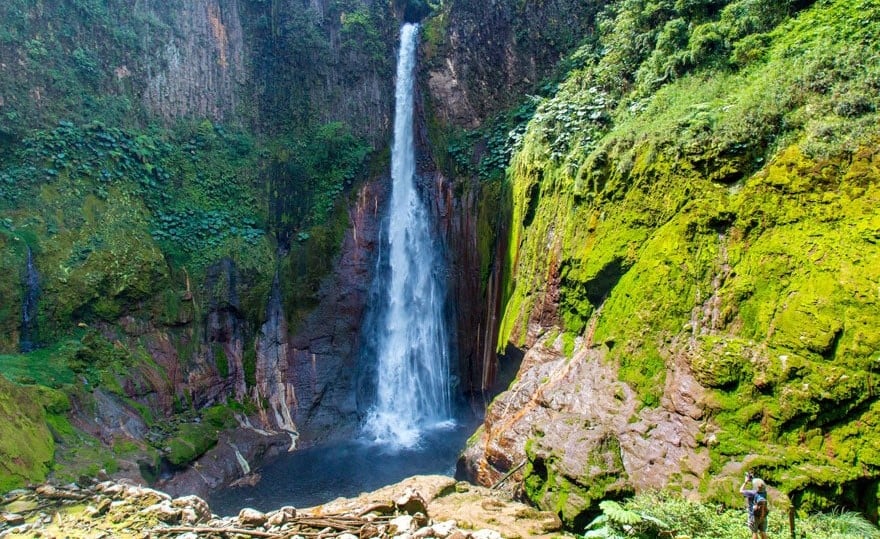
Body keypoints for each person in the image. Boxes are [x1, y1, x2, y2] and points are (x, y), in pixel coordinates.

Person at [740, 471, 769, 539]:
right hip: (763, 515)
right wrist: (752, 479)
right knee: (763, 531)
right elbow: (759, 485)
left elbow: (741, 491)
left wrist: (746, 482)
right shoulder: (764, 493)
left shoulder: (752, 493)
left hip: (754, 516)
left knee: (754, 532)